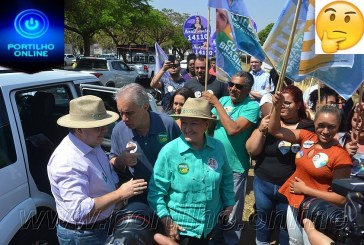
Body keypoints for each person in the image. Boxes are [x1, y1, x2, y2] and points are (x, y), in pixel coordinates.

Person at [47, 95, 147, 244]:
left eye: (104, 125)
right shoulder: (67, 161)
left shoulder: (91, 143)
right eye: (98, 127)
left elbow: (103, 174)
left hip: (97, 228)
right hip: (84, 234)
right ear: (79, 129)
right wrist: (120, 193)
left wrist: (121, 159)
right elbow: (79, 211)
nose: (104, 130)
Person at [268, 92, 352, 245]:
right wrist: (276, 106)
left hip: (318, 211)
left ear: (338, 126)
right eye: (321, 125)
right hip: (294, 203)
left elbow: (341, 198)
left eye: (331, 127)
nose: (325, 131)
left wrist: (306, 190)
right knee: (294, 242)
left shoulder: (341, 156)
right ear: (314, 123)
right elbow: (274, 130)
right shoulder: (307, 137)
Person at [148, 98, 235, 245]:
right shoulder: (169, 152)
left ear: (206, 124)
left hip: (212, 226)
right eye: (184, 122)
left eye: (193, 123)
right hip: (182, 230)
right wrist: (166, 219)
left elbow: (226, 177)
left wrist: (229, 204)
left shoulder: (218, 147)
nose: (187, 128)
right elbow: (156, 192)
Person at [246, 85, 314, 245]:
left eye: (288, 103)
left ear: (298, 105)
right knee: (263, 219)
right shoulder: (268, 122)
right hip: (264, 183)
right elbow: (252, 150)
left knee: (287, 225)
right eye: (280, 103)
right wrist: (262, 129)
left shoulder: (307, 127)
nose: (283, 106)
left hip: (291, 188)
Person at [202, 71, 260, 244]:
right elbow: (209, 125)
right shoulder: (224, 101)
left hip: (235, 167)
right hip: (212, 164)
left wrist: (216, 103)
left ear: (248, 89)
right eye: (231, 84)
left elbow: (233, 129)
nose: (233, 89)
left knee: (231, 212)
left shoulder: (252, 106)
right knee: (213, 206)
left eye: (239, 86)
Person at [109, 84, 181, 204]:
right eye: (121, 113)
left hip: (168, 195)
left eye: (129, 113)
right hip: (138, 199)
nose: (124, 118)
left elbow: (182, 158)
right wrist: (122, 159)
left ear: (145, 106)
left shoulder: (167, 124)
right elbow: (112, 163)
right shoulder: (119, 130)